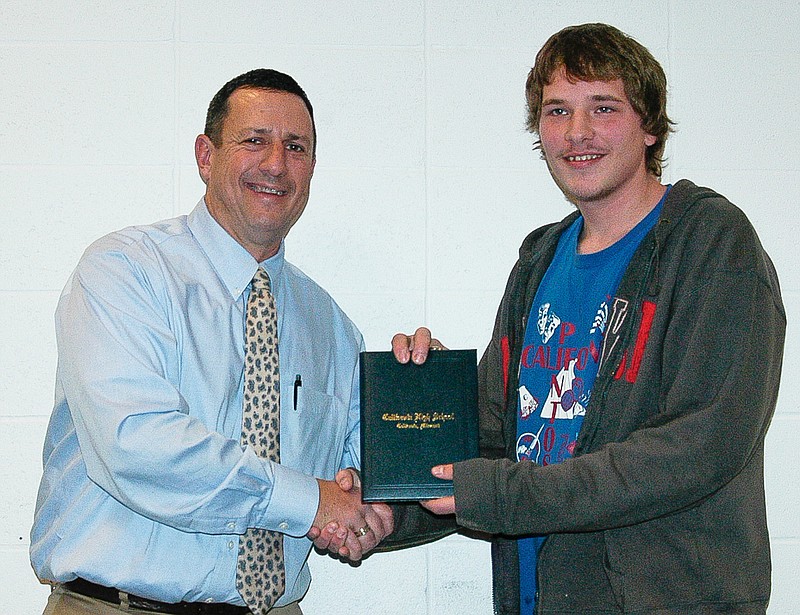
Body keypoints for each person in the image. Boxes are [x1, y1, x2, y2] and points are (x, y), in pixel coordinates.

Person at [383, 23, 784, 614]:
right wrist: (393, 489)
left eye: (603, 107)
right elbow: (495, 443)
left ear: (650, 126)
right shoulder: (537, 260)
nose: (577, 133)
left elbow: (704, 443)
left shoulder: (710, 243)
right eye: (556, 111)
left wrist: (498, 496)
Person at [30, 68, 393, 615]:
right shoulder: (126, 272)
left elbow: (356, 471)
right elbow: (137, 444)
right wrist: (311, 503)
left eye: (296, 147)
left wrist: (415, 396)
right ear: (206, 155)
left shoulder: (333, 329)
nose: (276, 163)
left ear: (313, 168)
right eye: (255, 141)